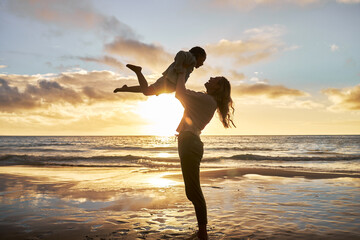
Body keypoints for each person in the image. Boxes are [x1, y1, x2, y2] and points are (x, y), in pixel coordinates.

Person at [175, 72, 235, 240]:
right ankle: (202, 230)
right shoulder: (206, 100)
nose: (209, 79)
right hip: (188, 142)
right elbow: (183, 94)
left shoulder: (207, 100)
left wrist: (182, 70)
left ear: (218, 87)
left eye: (214, 79)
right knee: (191, 191)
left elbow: (180, 93)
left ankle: (203, 233)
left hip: (190, 143)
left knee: (193, 191)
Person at [113, 46, 206, 96]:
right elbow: (181, 54)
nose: (202, 64)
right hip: (169, 82)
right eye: (202, 60)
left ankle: (125, 88)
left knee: (146, 89)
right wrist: (179, 69)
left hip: (168, 82)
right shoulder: (192, 58)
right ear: (198, 55)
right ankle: (138, 71)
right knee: (146, 91)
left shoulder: (191, 61)